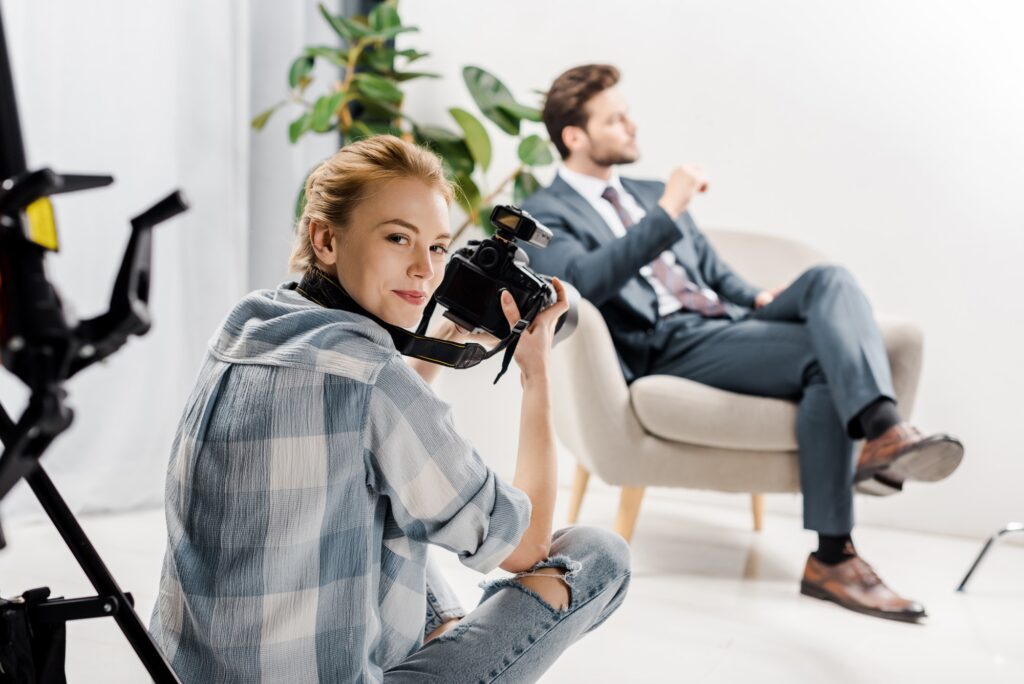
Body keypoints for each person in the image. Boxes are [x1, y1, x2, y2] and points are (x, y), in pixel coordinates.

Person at [150, 135, 631, 682]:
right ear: (325, 239)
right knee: (599, 553)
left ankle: (444, 638)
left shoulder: (250, 324)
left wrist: (448, 338)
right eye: (399, 238)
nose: (425, 271)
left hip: (188, 674)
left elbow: (362, 416)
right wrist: (535, 371)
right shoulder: (375, 380)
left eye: (438, 247)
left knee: (387, 500)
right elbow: (527, 546)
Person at [520, 64, 964, 623]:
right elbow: (586, 280)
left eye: (628, 113)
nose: (632, 125)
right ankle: (838, 549)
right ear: (574, 136)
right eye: (616, 118)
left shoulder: (649, 191)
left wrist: (753, 297)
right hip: (667, 343)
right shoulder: (546, 211)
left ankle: (882, 432)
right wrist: (666, 213)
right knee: (822, 365)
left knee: (830, 280)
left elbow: (709, 271)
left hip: (725, 320)